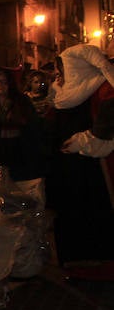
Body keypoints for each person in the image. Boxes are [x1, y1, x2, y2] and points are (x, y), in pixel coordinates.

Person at [45, 44, 114, 276]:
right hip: (68, 170)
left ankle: (98, 261)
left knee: (95, 212)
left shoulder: (101, 90)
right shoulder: (62, 94)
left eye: (63, 69)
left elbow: (104, 131)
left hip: (94, 170)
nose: (59, 75)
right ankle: (74, 261)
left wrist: (83, 141)